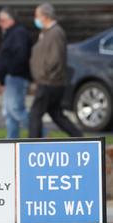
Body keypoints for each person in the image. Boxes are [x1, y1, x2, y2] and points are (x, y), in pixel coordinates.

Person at [28, 3, 83, 138]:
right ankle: (79, 137)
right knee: (56, 114)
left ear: (45, 16)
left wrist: (42, 74)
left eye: (37, 16)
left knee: (35, 114)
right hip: (49, 81)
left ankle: (32, 145)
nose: (35, 19)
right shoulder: (47, 33)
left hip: (50, 82)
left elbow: (55, 59)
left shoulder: (56, 33)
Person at [0, 7, 32, 139]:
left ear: (11, 20)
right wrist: (2, 79)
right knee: (9, 113)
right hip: (9, 78)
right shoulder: (10, 33)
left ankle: (40, 132)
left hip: (16, 77)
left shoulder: (18, 33)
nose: (0, 24)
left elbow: (20, 55)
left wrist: (11, 72)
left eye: (2, 20)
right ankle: (11, 141)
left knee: (16, 110)